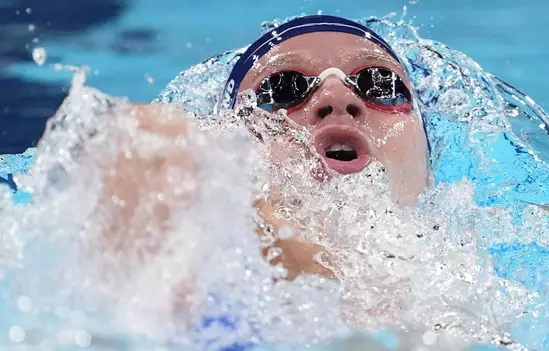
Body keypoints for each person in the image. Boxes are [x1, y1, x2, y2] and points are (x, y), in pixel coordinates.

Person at [91, 15, 433, 281]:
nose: (336, 97)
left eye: (379, 84)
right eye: (281, 90)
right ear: (228, 143)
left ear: (430, 168)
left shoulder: (477, 282)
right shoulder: (194, 275)